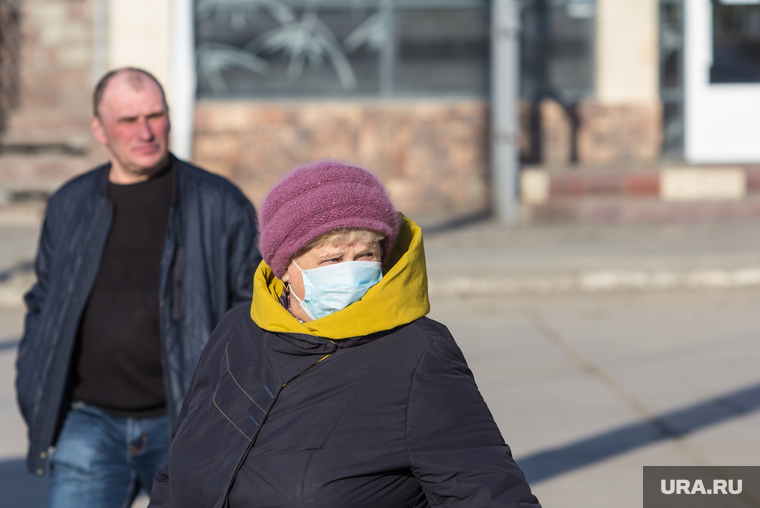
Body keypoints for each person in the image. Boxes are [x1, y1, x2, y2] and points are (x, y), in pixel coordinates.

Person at [149, 161, 541, 507]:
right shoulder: (238, 331)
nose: (350, 271)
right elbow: (175, 474)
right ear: (285, 267)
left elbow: (487, 490)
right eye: (332, 259)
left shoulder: (418, 354)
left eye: (365, 255)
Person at [15, 67, 262, 508]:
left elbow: (254, 312)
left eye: (155, 115)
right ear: (99, 129)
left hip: (190, 421)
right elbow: (42, 301)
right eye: (128, 120)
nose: (145, 131)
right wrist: (34, 393)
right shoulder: (69, 203)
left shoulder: (219, 203)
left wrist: (231, 411)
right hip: (87, 422)